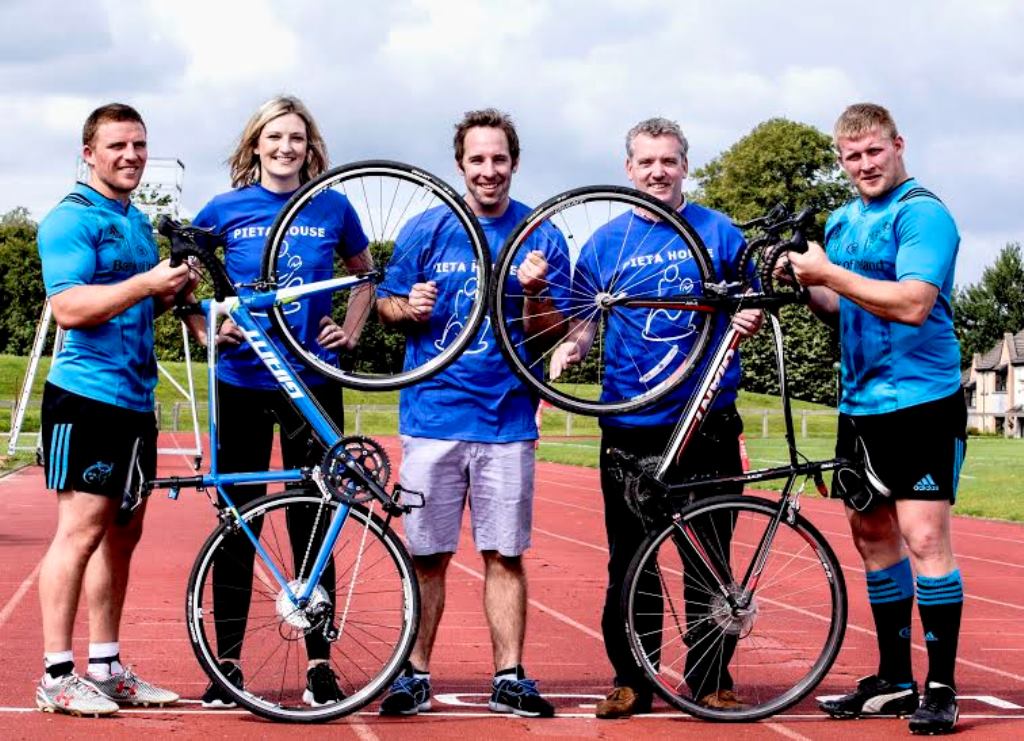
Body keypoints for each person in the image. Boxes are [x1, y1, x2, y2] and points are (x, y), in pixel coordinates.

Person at [549, 117, 762, 718]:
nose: (657, 172)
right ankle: (631, 678)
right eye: (646, 162)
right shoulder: (603, 244)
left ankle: (711, 677)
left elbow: (746, 307)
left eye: (668, 161)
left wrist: (744, 322)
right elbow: (585, 322)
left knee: (709, 559)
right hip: (630, 426)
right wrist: (571, 346)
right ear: (628, 170)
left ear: (685, 165)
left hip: (706, 420)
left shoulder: (720, 233)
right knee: (630, 560)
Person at [375, 109, 569, 718]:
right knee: (426, 556)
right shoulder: (427, 228)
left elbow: (554, 331)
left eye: (499, 159)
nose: (488, 171)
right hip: (432, 417)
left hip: (507, 420)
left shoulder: (541, 233)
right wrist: (409, 308)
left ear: (514, 162)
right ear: (460, 165)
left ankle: (509, 675)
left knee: (504, 555)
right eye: (477, 160)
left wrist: (535, 292)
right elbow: (386, 306)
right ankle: (414, 674)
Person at [787, 103, 966, 735]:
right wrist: (804, 279)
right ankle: (893, 680)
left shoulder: (922, 213)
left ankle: (941, 686)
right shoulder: (842, 220)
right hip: (858, 404)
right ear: (841, 160)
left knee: (923, 540)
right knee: (872, 540)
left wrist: (828, 270)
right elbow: (840, 306)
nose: (864, 165)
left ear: (897, 145)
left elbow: (914, 303)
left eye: (874, 152)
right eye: (851, 156)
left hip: (921, 403)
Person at [190, 95, 372, 709]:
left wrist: (348, 332)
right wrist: (207, 330)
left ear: (310, 146)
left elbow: (364, 275)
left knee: (314, 522)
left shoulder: (333, 207)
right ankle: (229, 665)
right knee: (240, 522)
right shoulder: (224, 208)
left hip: (312, 383)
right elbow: (187, 289)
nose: (285, 147)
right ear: (255, 144)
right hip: (241, 381)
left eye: (296, 137)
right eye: (274, 137)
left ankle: (319, 664)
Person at [35, 103, 192, 716]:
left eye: (140, 145)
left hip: (135, 400)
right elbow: (70, 308)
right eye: (118, 145)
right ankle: (55, 674)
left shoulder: (136, 223)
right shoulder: (69, 220)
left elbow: (134, 307)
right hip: (86, 397)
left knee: (122, 535)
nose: (131, 155)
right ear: (89, 153)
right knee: (78, 533)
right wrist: (147, 284)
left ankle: (105, 665)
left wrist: (171, 293)